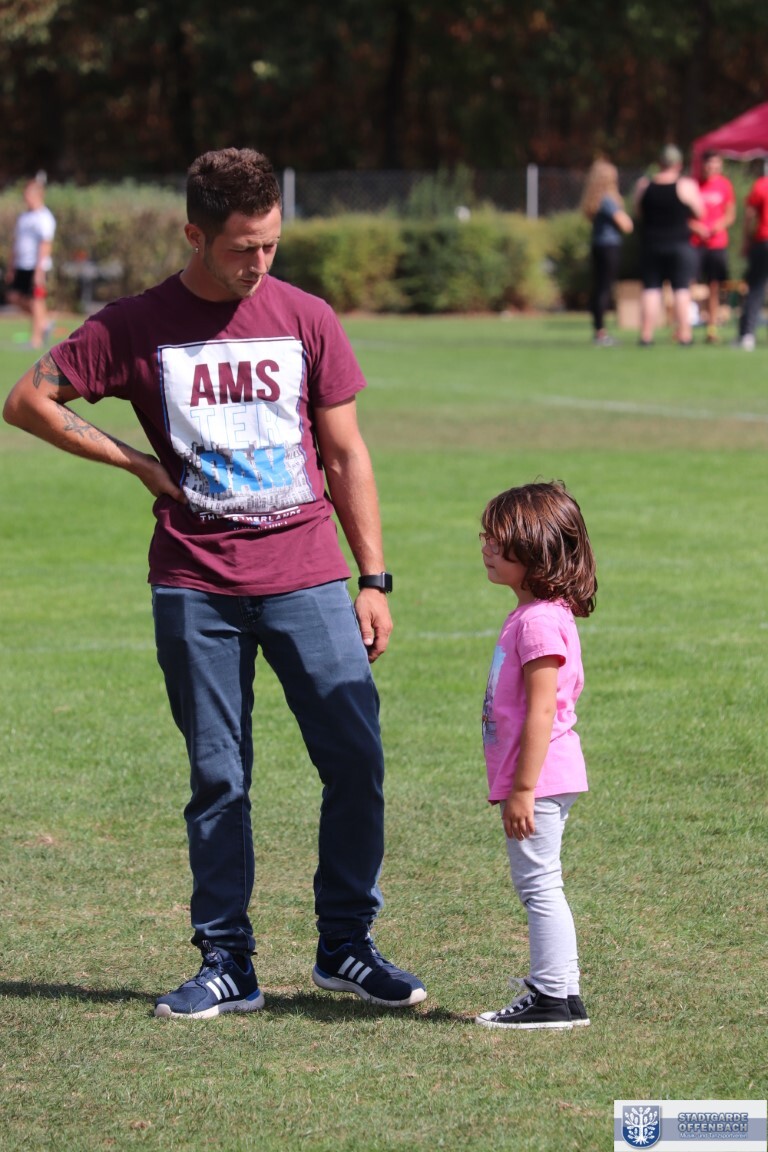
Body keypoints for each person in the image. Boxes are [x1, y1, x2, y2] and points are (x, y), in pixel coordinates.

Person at [3, 147, 426, 1019]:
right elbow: (28, 400)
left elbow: (346, 454)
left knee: (356, 760)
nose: (258, 263)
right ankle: (228, 961)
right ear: (195, 236)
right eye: (242, 248)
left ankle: (347, 946)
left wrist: (374, 578)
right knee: (219, 778)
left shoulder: (307, 317)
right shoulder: (134, 324)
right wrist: (137, 463)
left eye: (271, 244)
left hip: (309, 575)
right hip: (195, 584)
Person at [474, 481, 597, 1031]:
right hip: (541, 777)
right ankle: (563, 995)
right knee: (544, 883)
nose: (486, 548)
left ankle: (550, 997)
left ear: (536, 551)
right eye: (485, 537)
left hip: (540, 779)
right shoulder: (534, 614)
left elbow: (543, 710)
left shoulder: (540, 621)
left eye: (498, 541)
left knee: (539, 886)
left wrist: (523, 789)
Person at [634, 145, 704, 346]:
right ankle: (685, 335)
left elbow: (638, 212)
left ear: (659, 163)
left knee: (651, 289)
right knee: (681, 289)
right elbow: (700, 212)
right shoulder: (686, 186)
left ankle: (646, 336)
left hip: (651, 244)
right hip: (679, 245)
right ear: (679, 164)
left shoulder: (644, 185)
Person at [579, 157, 634, 346]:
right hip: (609, 246)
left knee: (599, 288)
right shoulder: (608, 201)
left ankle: (599, 330)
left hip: (598, 245)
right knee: (604, 288)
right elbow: (626, 225)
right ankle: (601, 333)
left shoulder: (596, 200)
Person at [5, 176, 57, 349]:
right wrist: (11, 267)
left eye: (27, 194)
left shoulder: (44, 217)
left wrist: (39, 270)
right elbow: (16, 244)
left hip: (36, 266)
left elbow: (45, 244)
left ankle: (36, 340)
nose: (25, 197)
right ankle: (44, 322)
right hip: (21, 265)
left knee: (36, 300)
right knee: (13, 297)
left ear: (37, 195)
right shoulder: (24, 217)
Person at [691, 151, 736, 344]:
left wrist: (719, 225)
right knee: (689, 285)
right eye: (709, 164)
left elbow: (730, 214)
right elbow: (683, 215)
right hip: (695, 243)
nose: (712, 168)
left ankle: (711, 327)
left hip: (717, 243)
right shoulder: (693, 185)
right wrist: (696, 227)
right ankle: (685, 325)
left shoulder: (725, 185)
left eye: (716, 164)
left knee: (714, 286)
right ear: (702, 165)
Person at [736, 169, 768, 351]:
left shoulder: (762, 184)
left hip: (763, 241)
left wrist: (746, 240)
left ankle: (747, 334)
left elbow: (749, 214)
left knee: (755, 289)